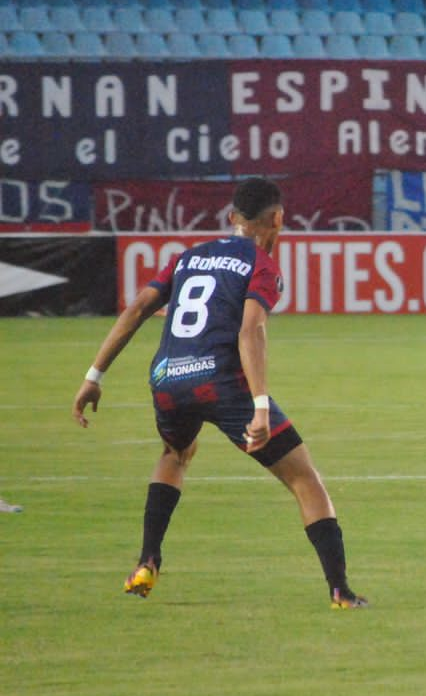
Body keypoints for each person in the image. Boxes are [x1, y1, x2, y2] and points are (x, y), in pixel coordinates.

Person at [72, 178, 367, 608]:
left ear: (232, 218)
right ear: (279, 219)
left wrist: (94, 375)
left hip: (168, 379)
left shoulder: (187, 257)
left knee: (175, 454)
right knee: (305, 480)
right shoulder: (262, 267)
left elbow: (137, 309)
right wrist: (260, 406)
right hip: (222, 384)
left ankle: (146, 560)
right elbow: (252, 329)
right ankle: (340, 590)